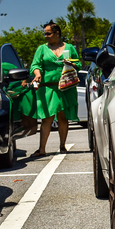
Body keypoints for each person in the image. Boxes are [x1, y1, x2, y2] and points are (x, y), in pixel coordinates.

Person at [20, 20, 82, 157]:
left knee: (63, 118)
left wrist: (71, 63)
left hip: (66, 87)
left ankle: (62, 146)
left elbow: (78, 64)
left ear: (57, 33)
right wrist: (37, 75)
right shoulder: (42, 49)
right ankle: (42, 149)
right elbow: (35, 65)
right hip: (48, 88)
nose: (46, 36)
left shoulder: (69, 48)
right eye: (45, 34)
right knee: (47, 118)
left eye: (48, 33)